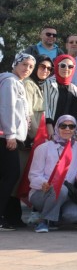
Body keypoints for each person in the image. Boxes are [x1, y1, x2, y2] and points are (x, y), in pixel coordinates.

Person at [28, 114, 77, 232]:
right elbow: (34, 175)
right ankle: (44, 221)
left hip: (65, 195)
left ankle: (53, 218)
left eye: (71, 126)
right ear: (57, 127)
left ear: (75, 129)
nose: (67, 129)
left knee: (75, 215)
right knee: (60, 189)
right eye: (63, 126)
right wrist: (43, 183)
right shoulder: (43, 148)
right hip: (42, 193)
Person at [0, 53, 35, 230]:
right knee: (11, 175)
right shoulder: (10, 82)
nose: (27, 69)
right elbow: (7, 108)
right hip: (6, 138)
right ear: (15, 64)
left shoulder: (16, 82)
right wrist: (10, 135)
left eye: (31, 66)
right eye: (24, 64)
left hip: (9, 136)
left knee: (7, 176)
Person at [42, 54, 77, 135]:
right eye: (63, 65)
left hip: (66, 131)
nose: (66, 68)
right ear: (56, 66)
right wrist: (49, 126)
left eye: (70, 66)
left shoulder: (74, 89)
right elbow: (45, 105)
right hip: (49, 130)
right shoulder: (47, 83)